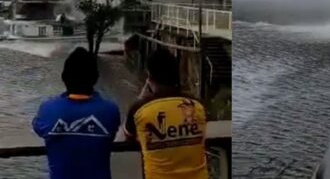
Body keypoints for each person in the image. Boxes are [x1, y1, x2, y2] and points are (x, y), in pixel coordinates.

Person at [32, 47, 121, 179]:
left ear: (64, 77)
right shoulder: (111, 110)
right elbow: (112, 133)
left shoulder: (47, 109)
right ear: (95, 78)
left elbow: (38, 127)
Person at [124, 48, 208, 179]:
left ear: (150, 78)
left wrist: (143, 96)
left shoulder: (139, 108)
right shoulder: (197, 106)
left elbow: (128, 135)